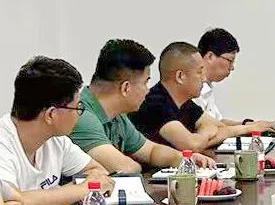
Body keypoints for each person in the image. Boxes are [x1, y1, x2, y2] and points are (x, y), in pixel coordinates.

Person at [69, 39, 215, 173]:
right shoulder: (80, 115)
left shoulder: (117, 116)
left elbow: (151, 151)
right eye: (145, 82)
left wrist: (184, 158)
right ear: (126, 88)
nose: (147, 90)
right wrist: (138, 166)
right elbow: (125, 168)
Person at [0, 57, 113, 205]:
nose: (78, 114)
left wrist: (63, 194)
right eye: (76, 107)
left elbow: (98, 171)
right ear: (51, 115)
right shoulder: (3, 144)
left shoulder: (56, 140)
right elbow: (9, 204)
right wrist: (83, 189)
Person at [131, 42, 266, 152]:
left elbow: (218, 126)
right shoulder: (155, 103)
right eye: (199, 72)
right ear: (180, 76)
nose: (204, 78)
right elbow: (192, 146)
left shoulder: (185, 103)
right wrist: (206, 133)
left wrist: (201, 136)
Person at [194, 28, 275, 132]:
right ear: (210, 56)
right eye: (230, 61)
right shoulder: (192, 89)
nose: (232, 67)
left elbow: (218, 122)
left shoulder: (207, 86)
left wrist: (249, 124)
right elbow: (207, 129)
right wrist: (248, 128)